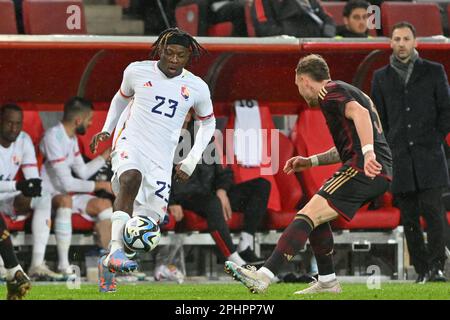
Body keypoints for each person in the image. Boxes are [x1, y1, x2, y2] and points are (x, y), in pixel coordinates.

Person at [224, 54, 393, 294]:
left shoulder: (329, 91)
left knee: (306, 214)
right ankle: (327, 280)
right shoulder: (348, 91)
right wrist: (310, 161)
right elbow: (347, 146)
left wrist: (368, 154)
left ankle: (263, 275)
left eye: (298, 86)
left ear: (304, 80)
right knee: (314, 214)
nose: (300, 93)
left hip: (363, 168)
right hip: (372, 168)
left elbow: (361, 115)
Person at [90, 27, 216, 293]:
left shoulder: (197, 87)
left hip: (161, 159)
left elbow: (208, 124)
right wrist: (107, 128)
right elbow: (120, 98)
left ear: (188, 56)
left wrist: (192, 160)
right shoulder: (136, 70)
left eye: (179, 55)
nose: (173, 59)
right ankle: (113, 251)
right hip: (130, 143)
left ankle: (109, 264)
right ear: (160, 50)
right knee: (130, 178)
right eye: (168, 53)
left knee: (146, 227)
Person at [371, 22, 450, 283]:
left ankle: (438, 266)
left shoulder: (434, 71)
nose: (402, 43)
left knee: (434, 214)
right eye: (397, 39)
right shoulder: (380, 77)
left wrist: (435, 138)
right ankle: (422, 269)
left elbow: (446, 110)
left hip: (430, 157)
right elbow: (378, 119)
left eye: (406, 38)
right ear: (391, 43)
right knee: (409, 219)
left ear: (415, 42)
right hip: (400, 159)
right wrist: (388, 148)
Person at [169, 111, 269, 266]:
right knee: (212, 202)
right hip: (185, 196)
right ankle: (234, 260)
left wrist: (222, 189)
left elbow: (224, 172)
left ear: (189, 116)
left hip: (211, 192)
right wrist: (171, 201)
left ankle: (246, 243)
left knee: (261, 185)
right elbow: (156, 175)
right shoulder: (164, 138)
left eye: (185, 112)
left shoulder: (202, 136)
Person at [40, 97, 114, 278]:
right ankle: (64, 266)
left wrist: (104, 156)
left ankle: (110, 265)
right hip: (45, 197)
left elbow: (81, 172)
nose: (90, 125)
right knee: (65, 200)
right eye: (89, 120)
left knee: (104, 204)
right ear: (78, 120)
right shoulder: (53, 136)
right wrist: (102, 184)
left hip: (66, 193)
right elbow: (66, 183)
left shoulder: (71, 139)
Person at [0, 103, 65, 283]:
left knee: (43, 198)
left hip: (8, 199)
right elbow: (20, 185)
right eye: (9, 123)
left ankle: (37, 265)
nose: (14, 128)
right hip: (8, 193)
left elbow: (31, 180)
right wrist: (19, 185)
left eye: (18, 123)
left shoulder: (23, 139)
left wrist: (33, 187)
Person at [251, 0, 336, 38]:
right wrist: (293, 34)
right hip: (288, 48)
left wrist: (326, 37)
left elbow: (328, 20)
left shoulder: (309, 1)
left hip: (317, 45)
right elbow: (264, 28)